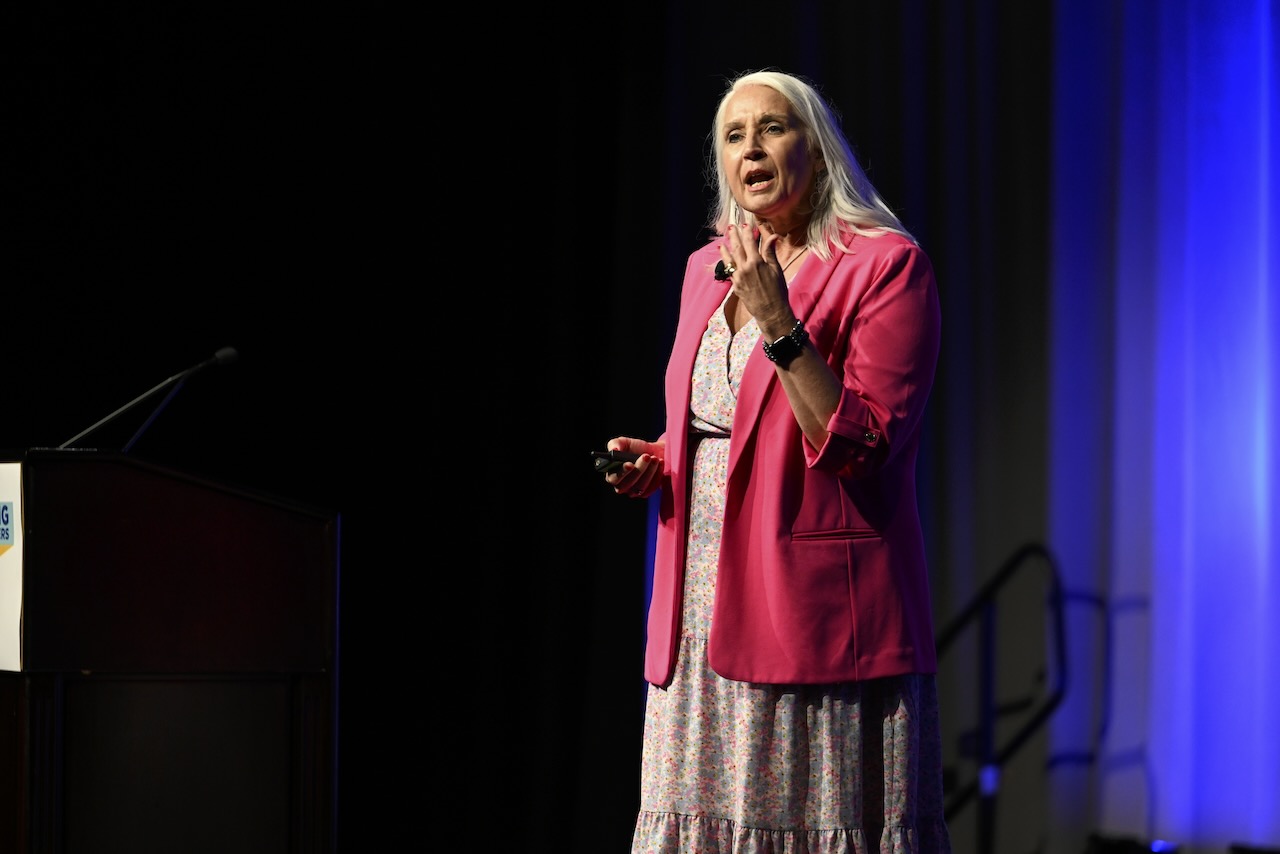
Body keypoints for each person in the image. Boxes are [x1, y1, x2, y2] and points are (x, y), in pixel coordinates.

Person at [600, 69, 951, 852]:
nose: (751, 148)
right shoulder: (707, 269)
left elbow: (864, 445)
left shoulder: (886, 266)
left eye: (773, 128)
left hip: (811, 608)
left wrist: (778, 322)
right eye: (734, 135)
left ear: (818, 151)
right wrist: (661, 456)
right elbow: (728, 417)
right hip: (697, 605)